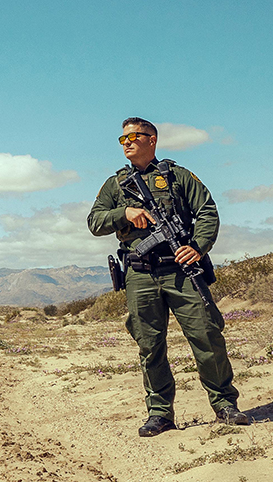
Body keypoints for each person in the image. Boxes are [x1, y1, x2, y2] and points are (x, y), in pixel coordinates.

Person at [87, 117, 248, 437]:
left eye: (134, 137)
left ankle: (225, 404)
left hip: (180, 271)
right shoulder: (115, 185)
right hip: (140, 274)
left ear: (152, 140)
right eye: (122, 139)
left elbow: (207, 211)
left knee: (207, 334)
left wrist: (198, 247)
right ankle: (160, 413)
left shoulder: (178, 176)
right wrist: (124, 214)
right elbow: (95, 221)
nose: (127, 143)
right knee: (149, 345)